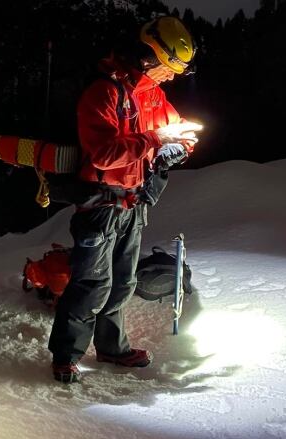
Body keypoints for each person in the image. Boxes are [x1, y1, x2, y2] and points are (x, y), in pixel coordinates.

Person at [48, 16, 202, 383]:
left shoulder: (152, 94)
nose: (172, 76)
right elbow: (103, 153)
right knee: (90, 282)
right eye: (168, 68)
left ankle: (112, 348)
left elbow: (179, 130)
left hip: (134, 203)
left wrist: (178, 148)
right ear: (150, 56)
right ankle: (66, 355)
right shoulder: (104, 92)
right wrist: (154, 141)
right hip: (100, 205)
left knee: (123, 281)